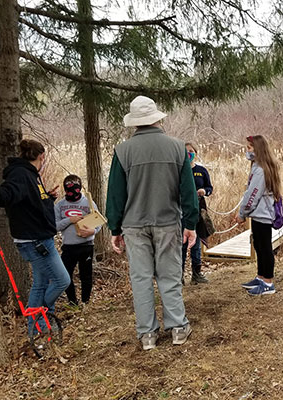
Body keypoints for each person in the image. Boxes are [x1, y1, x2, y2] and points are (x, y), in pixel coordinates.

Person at [106, 95, 199, 350]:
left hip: (133, 226)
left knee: (141, 278)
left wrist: (114, 228)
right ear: (157, 119)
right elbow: (188, 192)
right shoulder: (178, 148)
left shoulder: (122, 151)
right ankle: (178, 328)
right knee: (169, 276)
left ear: (134, 123)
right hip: (168, 222)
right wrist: (191, 224)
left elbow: (115, 194)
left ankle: (147, 334)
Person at [0, 139, 70, 335]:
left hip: (39, 237)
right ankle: (40, 316)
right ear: (41, 156)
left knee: (41, 283)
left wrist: (48, 197)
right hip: (35, 242)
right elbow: (9, 193)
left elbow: (30, 201)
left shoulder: (31, 175)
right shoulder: (21, 174)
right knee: (61, 281)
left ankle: (35, 329)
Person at [235, 135, 281, 296]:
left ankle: (268, 282)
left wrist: (242, 213)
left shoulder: (261, 170)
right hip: (258, 214)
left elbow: (252, 194)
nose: (246, 151)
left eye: (249, 148)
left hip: (262, 214)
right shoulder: (258, 167)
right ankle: (261, 277)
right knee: (259, 247)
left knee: (265, 248)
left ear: (258, 149)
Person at [55, 175, 101, 306]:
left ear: (80, 188)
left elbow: (99, 222)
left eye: (75, 189)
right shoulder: (60, 206)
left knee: (86, 275)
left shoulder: (89, 203)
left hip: (86, 245)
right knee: (65, 275)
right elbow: (55, 226)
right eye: (69, 189)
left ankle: (85, 302)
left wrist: (93, 231)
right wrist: (70, 220)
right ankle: (72, 302)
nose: (73, 193)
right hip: (68, 246)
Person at [181, 143, 213, 285]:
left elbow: (209, 187)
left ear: (196, 153)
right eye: (186, 152)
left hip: (199, 210)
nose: (189, 154)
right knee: (181, 244)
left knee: (196, 243)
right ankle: (179, 275)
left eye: (191, 151)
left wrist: (204, 191)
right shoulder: (179, 171)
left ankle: (197, 273)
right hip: (181, 211)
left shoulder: (201, 171)